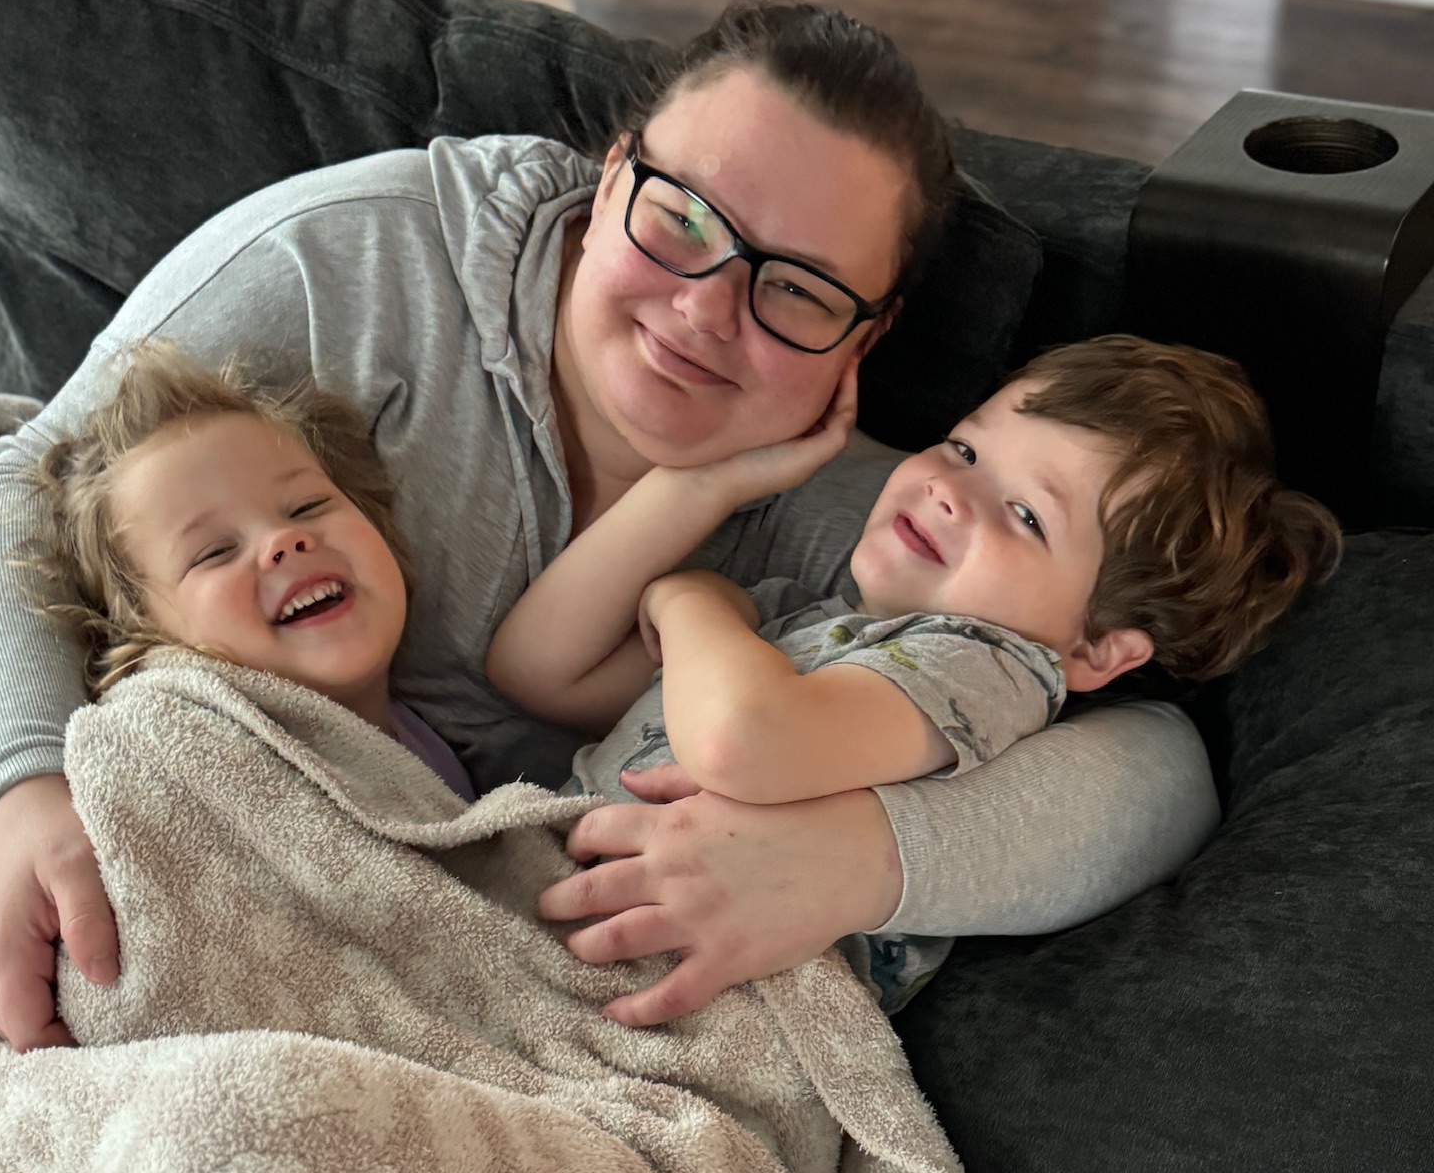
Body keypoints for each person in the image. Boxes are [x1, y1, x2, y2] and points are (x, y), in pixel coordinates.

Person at [0, 0, 1220, 1052]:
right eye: (681, 219)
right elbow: (23, 485)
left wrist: (856, 861)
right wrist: (25, 786)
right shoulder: (356, 261)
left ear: (870, 333)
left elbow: (1160, 767)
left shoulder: (877, 521)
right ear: (613, 172)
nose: (704, 313)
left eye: (797, 289)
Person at [489, 334, 1340, 1009]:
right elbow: (537, 670)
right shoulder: (799, 627)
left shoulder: (985, 669)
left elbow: (742, 741)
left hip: (695, 1003)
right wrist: (701, 490)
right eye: (964, 451)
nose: (946, 491)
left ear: (1094, 649)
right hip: (570, 935)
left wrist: (691, 603)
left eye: (1024, 514)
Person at [22, 343, 474, 807]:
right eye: (215, 552)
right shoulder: (195, 787)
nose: (283, 540)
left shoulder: (426, 742)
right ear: (146, 638)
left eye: (307, 506)